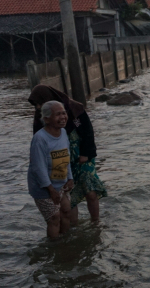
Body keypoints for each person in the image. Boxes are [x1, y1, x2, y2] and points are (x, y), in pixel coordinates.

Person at [28, 85, 107, 224]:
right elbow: (39, 150)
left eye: (40, 102)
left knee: (91, 191)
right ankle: (74, 228)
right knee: (69, 195)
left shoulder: (73, 108)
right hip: (62, 161)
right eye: (36, 105)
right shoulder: (42, 118)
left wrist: (85, 154)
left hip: (83, 156)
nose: (38, 107)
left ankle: (96, 223)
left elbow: (88, 132)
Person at [28, 100, 74, 239]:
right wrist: (51, 189)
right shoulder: (40, 138)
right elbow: (38, 167)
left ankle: (65, 242)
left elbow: (66, 157)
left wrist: (70, 177)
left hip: (60, 182)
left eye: (64, 113)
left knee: (66, 212)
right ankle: (55, 249)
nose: (63, 117)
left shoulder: (64, 133)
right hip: (44, 187)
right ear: (46, 119)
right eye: (58, 114)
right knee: (54, 218)